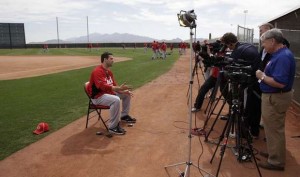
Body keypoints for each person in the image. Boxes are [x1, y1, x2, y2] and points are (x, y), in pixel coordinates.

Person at [256, 29, 295, 171]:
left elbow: (280, 82)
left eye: (264, 42)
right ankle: (274, 153)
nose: (263, 46)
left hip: (276, 96)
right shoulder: (278, 54)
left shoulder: (283, 56)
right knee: (271, 128)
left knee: (275, 129)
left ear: (272, 41)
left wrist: (261, 76)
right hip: (274, 96)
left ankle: (276, 161)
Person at [221, 32, 261, 138]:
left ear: (229, 43)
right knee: (254, 106)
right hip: (258, 78)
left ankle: (247, 132)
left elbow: (232, 70)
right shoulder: (245, 45)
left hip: (252, 81)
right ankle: (252, 130)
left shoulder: (238, 51)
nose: (227, 48)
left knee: (247, 106)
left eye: (226, 45)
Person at [88, 52, 136, 135]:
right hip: (98, 97)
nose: (113, 60)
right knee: (115, 100)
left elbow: (114, 86)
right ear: (105, 59)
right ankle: (112, 127)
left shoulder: (109, 72)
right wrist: (119, 89)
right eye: (111, 59)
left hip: (107, 94)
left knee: (126, 94)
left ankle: (124, 116)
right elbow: (104, 87)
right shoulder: (97, 71)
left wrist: (123, 91)